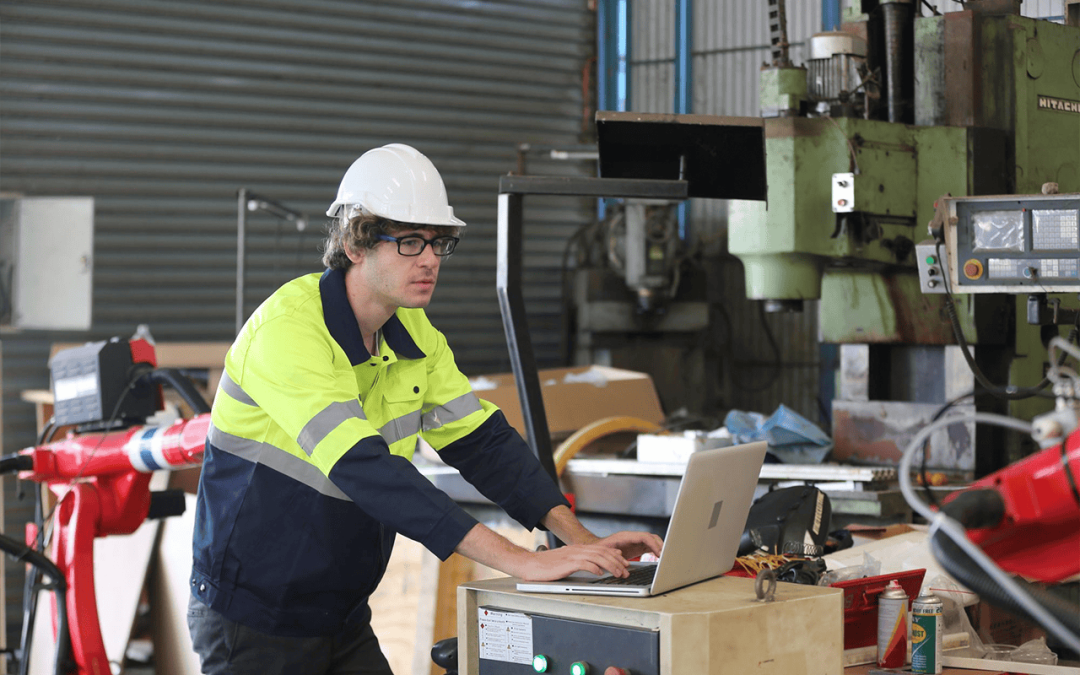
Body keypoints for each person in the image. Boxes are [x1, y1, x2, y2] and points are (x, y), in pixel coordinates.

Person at [188, 143, 663, 674]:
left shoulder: (413, 331)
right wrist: (523, 561)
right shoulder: (289, 332)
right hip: (255, 616)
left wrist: (582, 542)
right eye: (410, 242)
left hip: (339, 613)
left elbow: (483, 444)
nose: (430, 260)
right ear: (354, 242)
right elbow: (367, 471)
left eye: (438, 243)